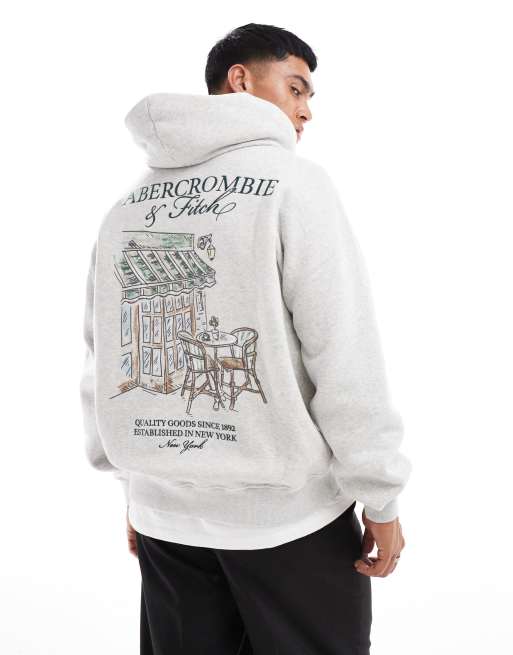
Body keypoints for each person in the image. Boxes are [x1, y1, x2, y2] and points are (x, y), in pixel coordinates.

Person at [80, 22, 412, 654]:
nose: (306, 111)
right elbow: (344, 354)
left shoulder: (129, 204)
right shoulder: (293, 185)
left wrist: (136, 485)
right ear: (240, 80)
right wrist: (381, 498)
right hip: (288, 522)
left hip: (166, 521)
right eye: (296, 88)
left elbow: (104, 360)